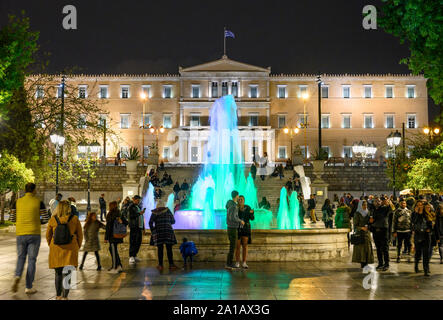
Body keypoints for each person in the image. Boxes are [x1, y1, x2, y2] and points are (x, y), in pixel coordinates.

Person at [10, 183, 50, 294]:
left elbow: (12, 218)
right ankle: (28, 286)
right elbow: (45, 219)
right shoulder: (39, 202)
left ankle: (17, 276)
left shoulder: (17, 202)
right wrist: (37, 220)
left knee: (21, 257)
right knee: (32, 260)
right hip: (34, 233)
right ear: (34, 190)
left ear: (25, 190)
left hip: (21, 234)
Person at [46, 200, 83, 300]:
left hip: (56, 249)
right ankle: (65, 296)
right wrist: (76, 246)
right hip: (70, 249)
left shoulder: (53, 219)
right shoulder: (74, 219)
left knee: (58, 273)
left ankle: (58, 295)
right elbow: (80, 235)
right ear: (69, 208)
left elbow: (48, 235)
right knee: (68, 273)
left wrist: (52, 245)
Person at [149, 206, 179, 271]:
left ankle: (160, 265)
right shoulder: (168, 211)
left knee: (160, 248)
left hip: (159, 231)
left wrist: (153, 230)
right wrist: (167, 222)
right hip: (168, 230)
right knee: (169, 248)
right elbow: (173, 221)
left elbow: (150, 222)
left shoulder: (154, 212)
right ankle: (171, 265)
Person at [369, 197, 394, 271]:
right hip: (375, 230)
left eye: (379, 201)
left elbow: (392, 209)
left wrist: (389, 202)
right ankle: (380, 263)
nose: (377, 202)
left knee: (385, 248)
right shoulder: (372, 210)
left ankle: (386, 264)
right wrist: (370, 223)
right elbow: (370, 220)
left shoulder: (385, 209)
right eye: (375, 201)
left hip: (383, 230)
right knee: (378, 248)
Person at [105, 201, 128, 274]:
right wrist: (121, 222)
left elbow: (108, 227)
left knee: (113, 251)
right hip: (118, 235)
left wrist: (106, 237)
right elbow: (126, 222)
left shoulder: (111, 214)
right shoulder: (119, 213)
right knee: (112, 249)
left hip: (112, 236)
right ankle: (119, 266)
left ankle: (115, 267)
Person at [411, 200, 432, 276]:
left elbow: (430, 222)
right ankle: (416, 266)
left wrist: (429, 229)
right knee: (418, 252)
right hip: (418, 235)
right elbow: (413, 222)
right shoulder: (414, 214)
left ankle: (426, 270)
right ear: (415, 206)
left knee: (426, 253)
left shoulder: (426, 213)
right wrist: (417, 213)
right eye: (418, 205)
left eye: (421, 205)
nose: (420, 206)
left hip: (426, 235)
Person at [225, 191, 244, 270]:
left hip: (230, 227)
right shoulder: (233, 206)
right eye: (238, 196)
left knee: (232, 246)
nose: (238, 197)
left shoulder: (230, 204)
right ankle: (229, 263)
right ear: (236, 196)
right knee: (233, 247)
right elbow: (233, 217)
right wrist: (240, 221)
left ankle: (229, 263)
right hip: (233, 228)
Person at [352, 200, 374, 268]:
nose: (365, 206)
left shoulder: (368, 212)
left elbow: (370, 223)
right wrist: (361, 228)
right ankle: (362, 262)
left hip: (367, 233)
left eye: (366, 205)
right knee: (361, 248)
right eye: (363, 205)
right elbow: (355, 225)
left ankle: (367, 261)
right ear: (360, 206)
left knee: (368, 248)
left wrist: (371, 222)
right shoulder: (357, 213)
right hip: (360, 233)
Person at [235, 195, 254, 269]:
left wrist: (252, 213)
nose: (240, 200)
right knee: (237, 246)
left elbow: (252, 218)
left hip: (245, 228)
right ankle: (237, 262)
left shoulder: (248, 207)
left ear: (244, 200)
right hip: (238, 228)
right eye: (239, 199)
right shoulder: (236, 208)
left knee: (245, 246)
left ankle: (244, 262)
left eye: (241, 199)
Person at [128, 195, 146, 264]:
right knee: (133, 241)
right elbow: (131, 216)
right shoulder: (131, 207)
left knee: (138, 241)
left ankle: (135, 255)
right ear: (134, 200)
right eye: (137, 200)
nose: (138, 201)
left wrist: (143, 228)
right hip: (134, 227)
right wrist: (139, 213)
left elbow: (141, 217)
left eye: (139, 200)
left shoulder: (138, 207)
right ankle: (131, 256)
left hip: (139, 227)